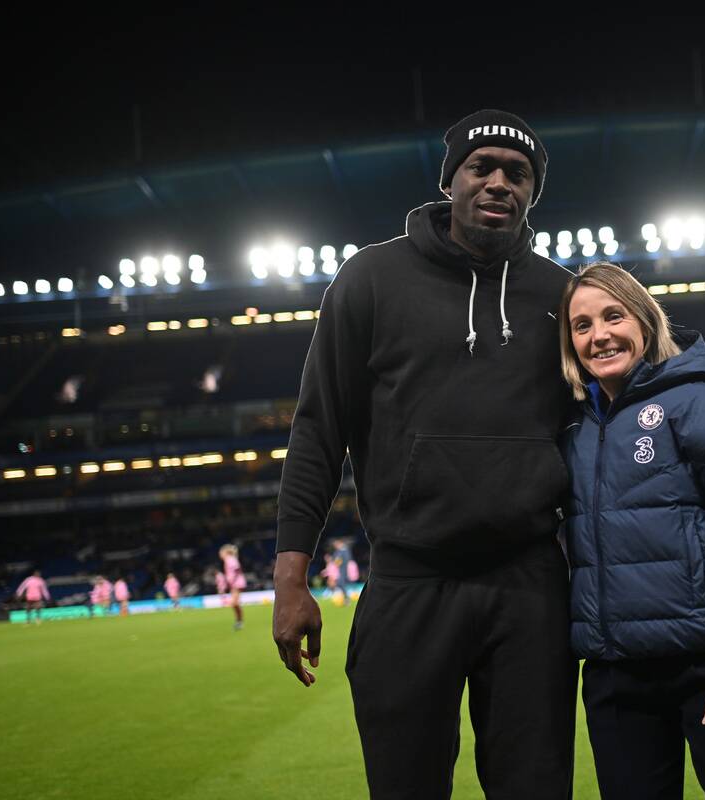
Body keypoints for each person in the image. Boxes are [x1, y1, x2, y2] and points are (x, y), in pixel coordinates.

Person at [272, 109, 577, 799]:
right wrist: (292, 578)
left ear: (533, 192)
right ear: (450, 180)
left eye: (518, 174)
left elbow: (594, 437)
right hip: (409, 580)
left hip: (528, 586)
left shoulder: (562, 295)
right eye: (482, 168)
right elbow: (319, 431)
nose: (499, 183)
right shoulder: (371, 279)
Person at [558, 263, 705, 800]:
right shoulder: (568, 427)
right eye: (581, 325)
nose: (599, 335)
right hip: (614, 677)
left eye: (613, 315)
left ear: (644, 320)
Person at [219, 544, 246, 630]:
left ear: (225, 552)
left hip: (236, 583)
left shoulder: (229, 559)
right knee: (235, 604)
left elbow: (236, 568)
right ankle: (239, 621)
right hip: (235, 583)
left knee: (234, 603)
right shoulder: (230, 559)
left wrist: (230, 579)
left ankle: (239, 622)